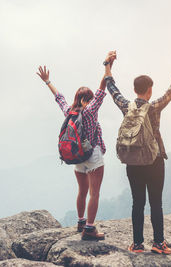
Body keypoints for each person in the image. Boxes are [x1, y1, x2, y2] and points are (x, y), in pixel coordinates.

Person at [104, 46, 171, 254]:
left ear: (134, 90)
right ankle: (158, 243)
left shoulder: (126, 106)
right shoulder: (155, 106)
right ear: (149, 90)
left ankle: (137, 244)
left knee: (137, 202)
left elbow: (111, 88)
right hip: (154, 160)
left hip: (133, 162)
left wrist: (108, 65)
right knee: (156, 203)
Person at [36, 54, 114, 240]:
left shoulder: (69, 111)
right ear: (89, 98)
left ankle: (80, 221)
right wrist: (108, 66)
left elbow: (59, 97)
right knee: (94, 193)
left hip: (77, 156)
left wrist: (48, 81)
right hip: (93, 155)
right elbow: (102, 88)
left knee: (82, 191)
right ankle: (89, 229)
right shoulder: (91, 110)